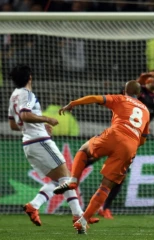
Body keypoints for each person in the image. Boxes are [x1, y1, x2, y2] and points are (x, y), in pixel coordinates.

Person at [53, 80, 150, 234]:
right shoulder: (146, 110)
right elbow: (143, 139)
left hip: (115, 134)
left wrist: (73, 103)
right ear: (139, 94)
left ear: (124, 90)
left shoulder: (120, 98)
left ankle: (73, 181)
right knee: (106, 186)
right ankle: (82, 221)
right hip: (131, 145)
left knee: (84, 150)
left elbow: (95, 98)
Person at [7, 64, 98, 226]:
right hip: (39, 141)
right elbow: (26, 115)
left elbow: (14, 125)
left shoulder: (14, 95)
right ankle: (76, 215)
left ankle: (41, 207)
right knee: (67, 177)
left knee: (60, 180)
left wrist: (39, 125)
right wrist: (47, 119)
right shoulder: (27, 94)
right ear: (30, 77)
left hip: (29, 143)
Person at [97, 57, 154, 219]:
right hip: (114, 134)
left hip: (130, 142)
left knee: (120, 175)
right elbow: (120, 96)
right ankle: (69, 186)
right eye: (152, 76)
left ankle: (105, 207)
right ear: (145, 79)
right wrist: (138, 82)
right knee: (87, 159)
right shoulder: (136, 94)